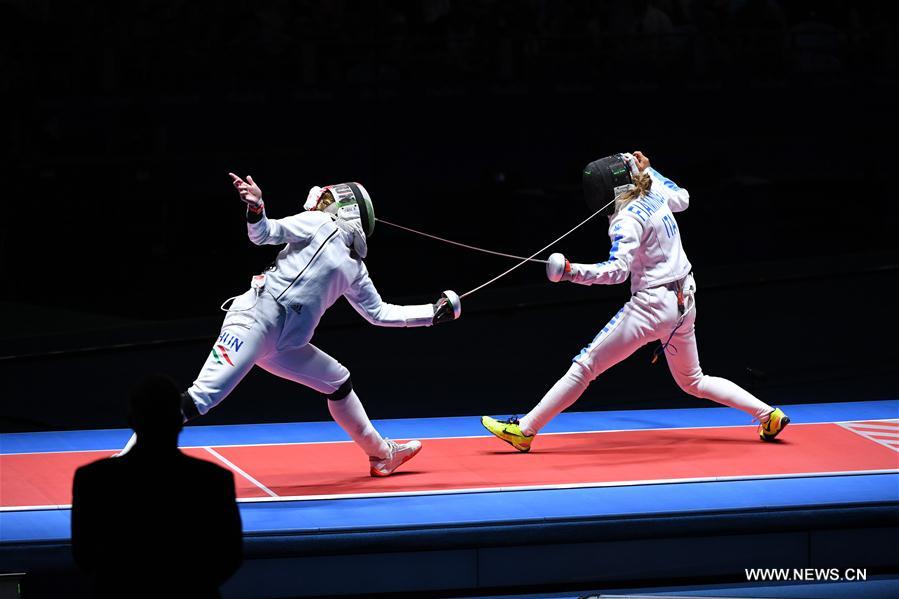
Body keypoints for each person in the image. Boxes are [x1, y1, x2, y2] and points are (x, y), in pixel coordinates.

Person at [118, 175, 461, 476]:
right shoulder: (317, 224)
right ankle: (125, 463)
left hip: (287, 345)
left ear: (344, 207)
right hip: (253, 321)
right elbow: (265, 234)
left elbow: (379, 314)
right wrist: (256, 208)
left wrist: (433, 312)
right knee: (201, 398)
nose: (321, 203)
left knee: (338, 380)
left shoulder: (355, 268)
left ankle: (382, 455)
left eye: (328, 200)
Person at [482, 151, 789, 451]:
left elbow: (617, 272)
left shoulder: (624, 219)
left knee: (586, 365)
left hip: (652, 306)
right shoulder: (653, 194)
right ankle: (769, 415)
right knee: (693, 381)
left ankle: (524, 430)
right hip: (685, 300)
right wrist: (650, 173)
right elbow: (682, 198)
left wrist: (571, 272)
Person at [72, 375, 242, 598]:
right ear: (178, 421)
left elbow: (84, 556)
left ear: (131, 419)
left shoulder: (92, 478)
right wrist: (196, 585)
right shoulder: (214, 479)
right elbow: (229, 556)